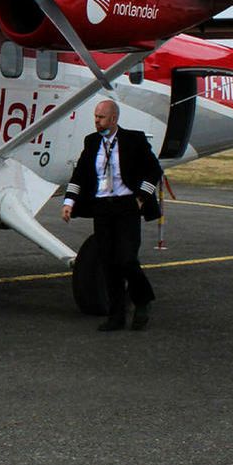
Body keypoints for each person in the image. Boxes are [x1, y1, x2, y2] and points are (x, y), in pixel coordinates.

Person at [60, 99, 163, 332]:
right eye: (95, 117)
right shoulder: (92, 142)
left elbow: (153, 170)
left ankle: (143, 300)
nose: (96, 121)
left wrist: (140, 198)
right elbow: (80, 175)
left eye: (101, 117)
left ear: (113, 119)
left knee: (126, 259)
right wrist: (69, 202)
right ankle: (116, 316)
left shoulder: (134, 140)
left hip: (127, 206)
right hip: (102, 208)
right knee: (108, 263)